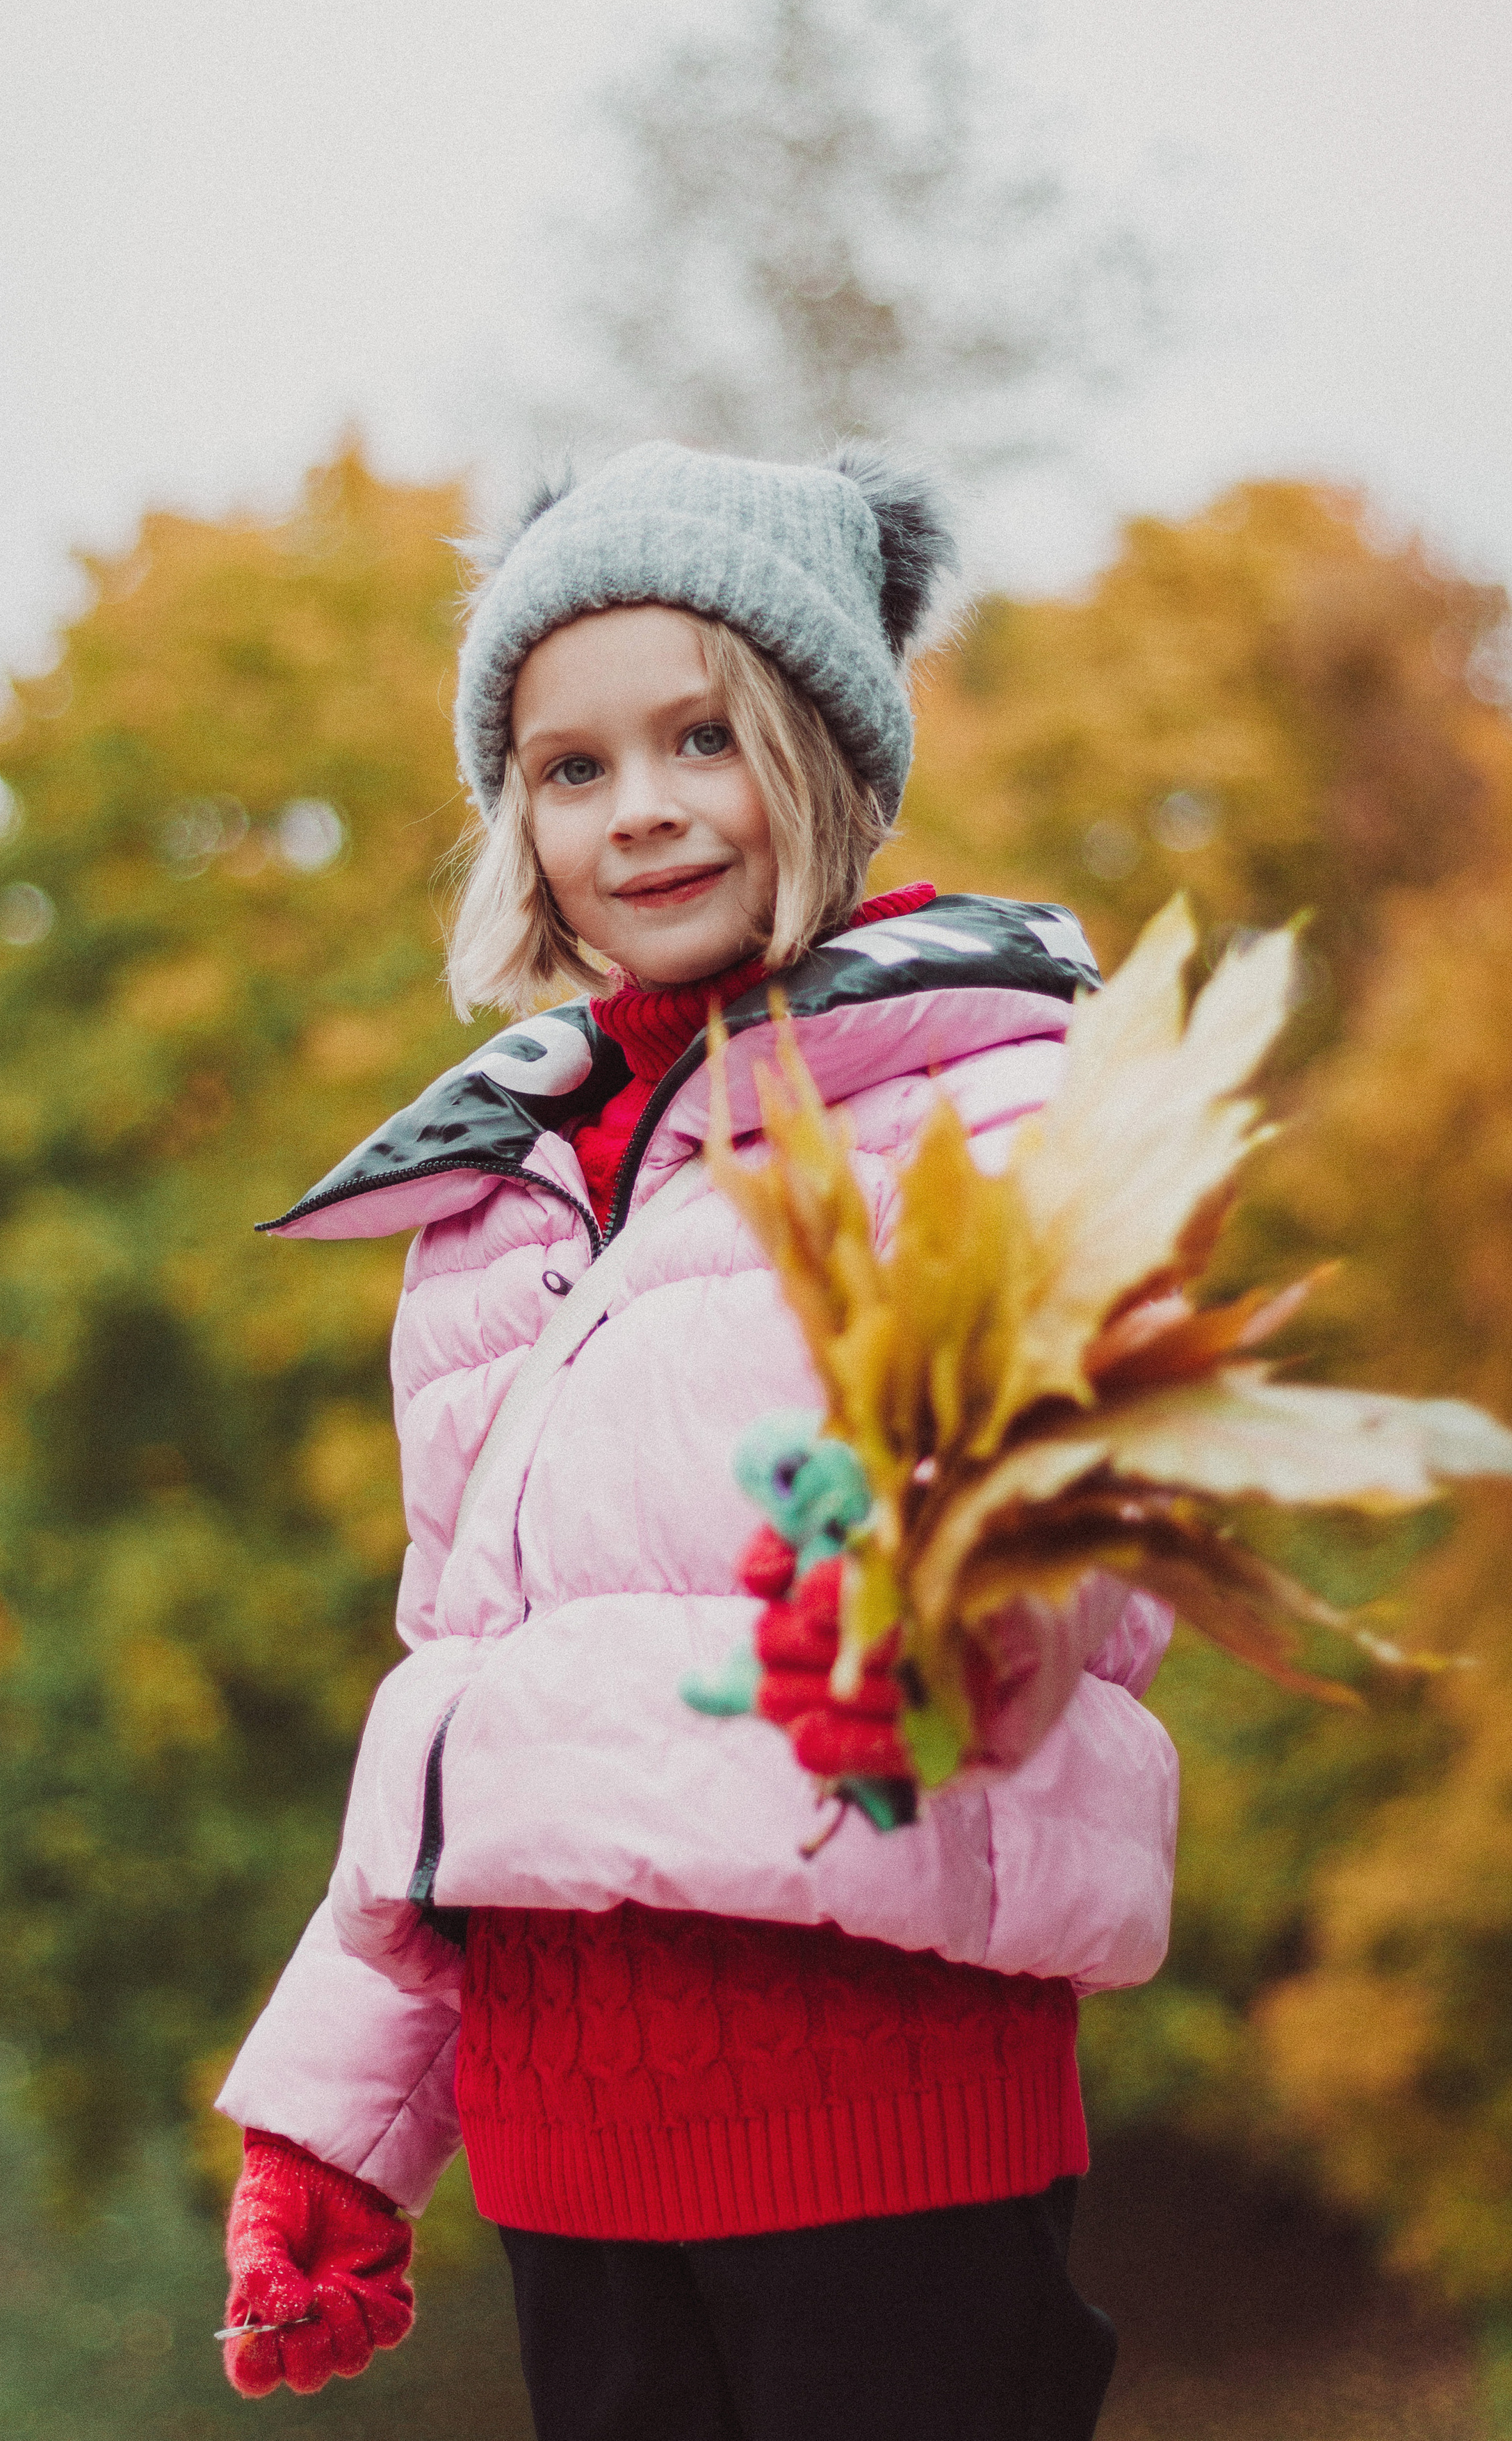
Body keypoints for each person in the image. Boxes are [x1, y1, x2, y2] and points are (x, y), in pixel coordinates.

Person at [214, 442, 1180, 2441]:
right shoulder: (500, 1194)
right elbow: (463, 1699)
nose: (638, 808)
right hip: (571, 2154)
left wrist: (925, 1590)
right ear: (519, 822)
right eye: (571, 768)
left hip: (883, 2108)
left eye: (702, 738)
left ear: (823, 757)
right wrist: (335, 2121)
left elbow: (1075, 1476)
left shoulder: (987, 1102)